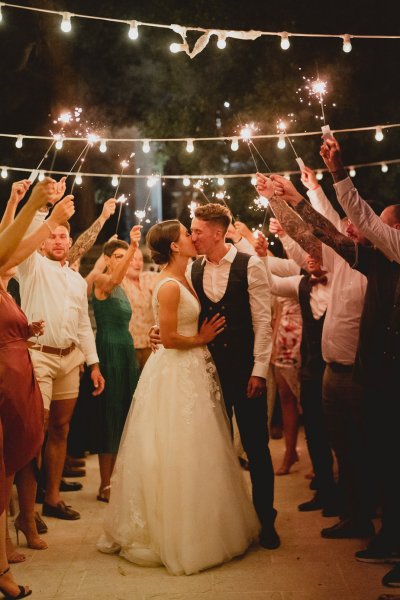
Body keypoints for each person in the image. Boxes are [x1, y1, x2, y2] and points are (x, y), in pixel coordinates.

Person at [98, 219, 259, 575]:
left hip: (195, 371)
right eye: (186, 234)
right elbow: (169, 338)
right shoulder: (169, 284)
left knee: (203, 449)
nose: (191, 237)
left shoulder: (193, 271)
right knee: (177, 448)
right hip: (175, 371)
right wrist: (200, 338)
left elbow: (165, 328)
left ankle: (210, 521)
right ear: (174, 245)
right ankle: (176, 532)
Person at [257, 171, 374, 540]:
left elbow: (322, 229)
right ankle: (351, 512)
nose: (346, 231)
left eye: (353, 227)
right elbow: (306, 238)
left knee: (362, 449)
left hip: (359, 373)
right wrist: (277, 199)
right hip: (330, 371)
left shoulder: (370, 266)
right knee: (339, 444)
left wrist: (301, 193)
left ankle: (371, 517)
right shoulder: (338, 264)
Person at [0, 178, 72, 600]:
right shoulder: (11, 267)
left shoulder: (5, 288)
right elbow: (7, 248)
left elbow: (6, 246)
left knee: (6, 469)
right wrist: (44, 214)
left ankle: (5, 563)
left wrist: (17, 201)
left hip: (13, 380)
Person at [16, 194, 105, 521]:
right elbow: (33, 230)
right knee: (34, 432)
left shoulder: (75, 280)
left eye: (63, 235)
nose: (57, 240)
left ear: (70, 241)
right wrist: (45, 209)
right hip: (38, 357)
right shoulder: (32, 265)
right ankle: (28, 508)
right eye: (52, 235)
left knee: (61, 429)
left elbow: (83, 324)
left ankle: (52, 499)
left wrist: (93, 363)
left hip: (71, 359)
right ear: (43, 242)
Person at [90, 228, 141, 502]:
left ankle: (119, 480)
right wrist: (133, 246)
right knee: (109, 414)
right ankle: (104, 484)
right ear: (108, 259)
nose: (124, 261)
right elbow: (116, 276)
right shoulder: (101, 280)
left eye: (126, 256)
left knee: (124, 413)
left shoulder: (121, 287)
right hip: (108, 349)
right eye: (119, 256)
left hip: (126, 349)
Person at [122, 248, 157, 370]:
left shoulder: (149, 277)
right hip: (131, 345)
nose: (138, 263)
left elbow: (167, 272)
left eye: (140, 259)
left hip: (152, 344)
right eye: (133, 259)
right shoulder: (120, 282)